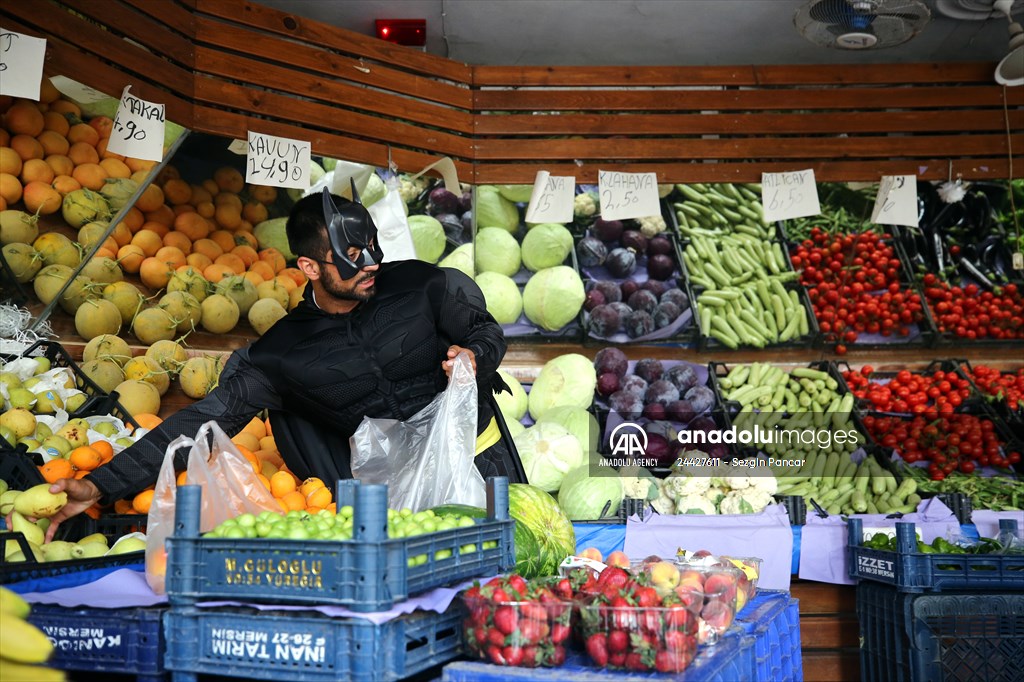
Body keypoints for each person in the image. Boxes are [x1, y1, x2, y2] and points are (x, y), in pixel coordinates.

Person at [45, 186, 526, 539]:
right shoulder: (280, 355)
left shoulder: (423, 284)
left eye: (373, 248)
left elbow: (484, 330)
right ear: (311, 267)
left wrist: (475, 355)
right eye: (352, 257)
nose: (371, 264)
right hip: (389, 508)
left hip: (484, 465)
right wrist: (101, 485)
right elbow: (199, 423)